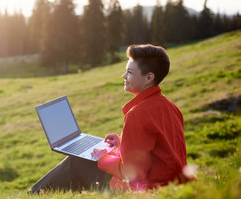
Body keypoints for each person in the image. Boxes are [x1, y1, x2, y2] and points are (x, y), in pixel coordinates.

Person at [28, 44, 193, 194]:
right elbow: (158, 149)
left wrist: (103, 158)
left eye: (129, 72)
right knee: (81, 164)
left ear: (149, 78)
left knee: (75, 163)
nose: (123, 76)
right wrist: (122, 142)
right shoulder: (171, 107)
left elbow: (131, 172)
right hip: (174, 186)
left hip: (145, 191)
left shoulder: (137, 114)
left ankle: (32, 195)